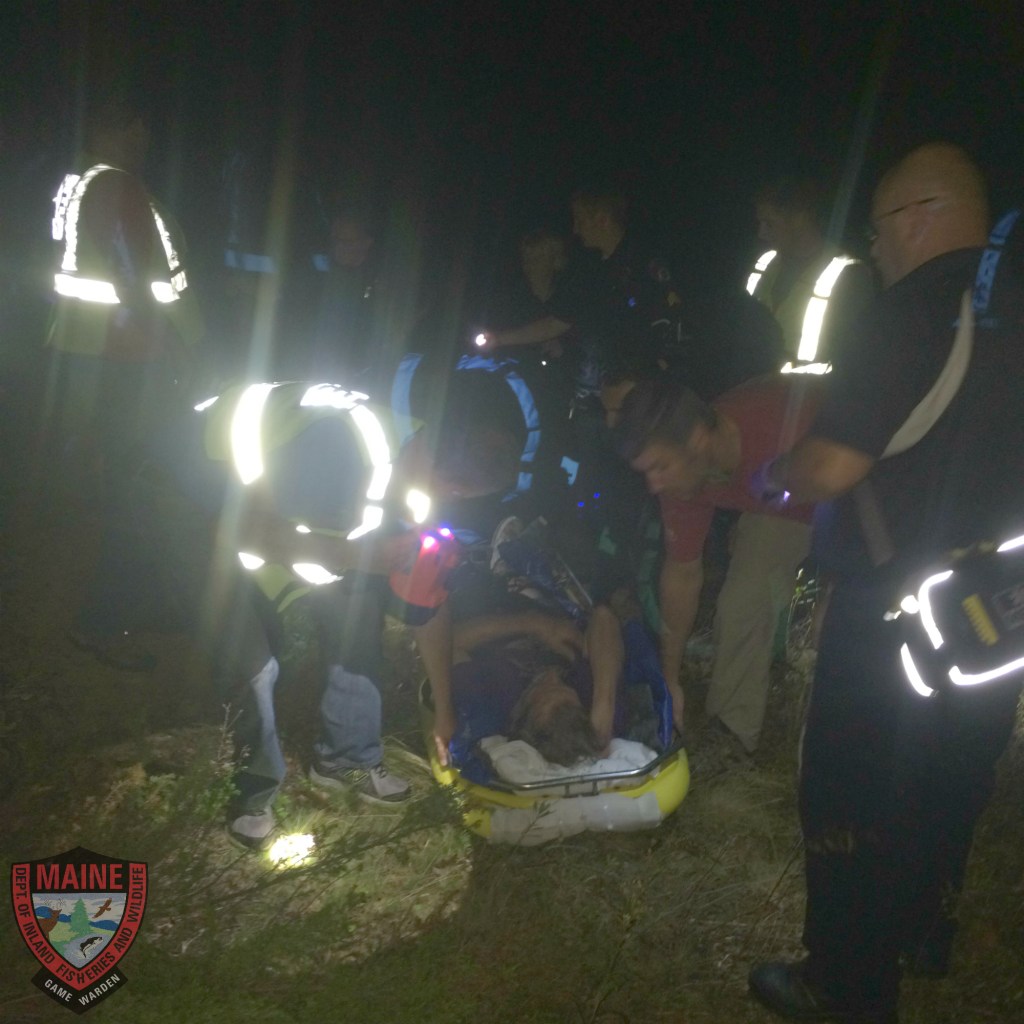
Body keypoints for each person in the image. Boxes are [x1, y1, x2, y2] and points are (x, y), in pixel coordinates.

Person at [747, 144, 1024, 1023]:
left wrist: (781, 473)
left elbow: (831, 464)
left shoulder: (908, 313)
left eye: (877, 228)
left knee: (851, 791)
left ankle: (846, 983)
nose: (873, 250)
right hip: (1002, 598)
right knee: (958, 768)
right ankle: (924, 927)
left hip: (895, 610)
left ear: (918, 216)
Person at [145, 380, 463, 850]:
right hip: (192, 506)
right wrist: (355, 555)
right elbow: (249, 532)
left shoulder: (407, 472)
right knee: (253, 661)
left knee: (354, 620)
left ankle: (345, 759)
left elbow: (428, 603)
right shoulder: (294, 461)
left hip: (287, 512)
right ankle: (254, 794)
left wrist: (444, 709)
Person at [613, 374, 824, 752]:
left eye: (659, 467)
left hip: (864, 482)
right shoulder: (687, 476)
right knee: (743, 601)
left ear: (696, 440)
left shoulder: (783, 424)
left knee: (844, 625)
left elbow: (862, 475)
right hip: (783, 506)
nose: (654, 485)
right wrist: (670, 679)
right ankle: (730, 739)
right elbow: (682, 573)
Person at [748, 175, 875, 371]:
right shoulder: (765, 263)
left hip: (812, 397)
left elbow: (857, 360)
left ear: (799, 219)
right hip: (754, 390)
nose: (761, 233)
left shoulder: (849, 275)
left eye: (769, 223)